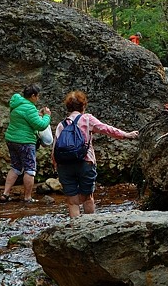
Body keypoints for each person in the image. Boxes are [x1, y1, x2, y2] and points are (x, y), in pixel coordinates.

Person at [53, 90, 139, 218]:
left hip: (65, 166)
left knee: (72, 201)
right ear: (84, 106)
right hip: (85, 163)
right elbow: (106, 129)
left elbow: (55, 148)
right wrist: (126, 135)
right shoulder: (87, 119)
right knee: (87, 197)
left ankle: (75, 232)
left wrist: (56, 166)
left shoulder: (61, 125)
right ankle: (90, 228)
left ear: (68, 107)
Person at [0, 84, 51, 203]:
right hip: (25, 142)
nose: (38, 98)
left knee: (16, 167)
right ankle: (27, 197)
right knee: (30, 169)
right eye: (37, 96)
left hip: (11, 140)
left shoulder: (17, 104)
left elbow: (26, 118)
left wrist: (38, 114)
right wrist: (47, 116)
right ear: (32, 96)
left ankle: (5, 194)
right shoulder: (29, 108)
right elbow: (40, 125)